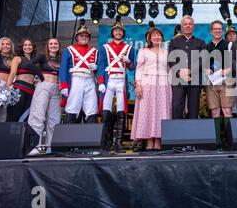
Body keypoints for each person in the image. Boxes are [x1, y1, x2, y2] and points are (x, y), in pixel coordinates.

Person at [97, 18, 135, 151]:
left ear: (123, 33)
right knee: (106, 111)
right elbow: (101, 66)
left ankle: (118, 143)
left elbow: (131, 67)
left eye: (120, 30)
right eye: (116, 30)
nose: (118, 32)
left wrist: (129, 61)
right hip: (109, 80)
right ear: (112, 33)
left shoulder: (129, 48)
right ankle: (106, 143)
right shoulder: (104, 48)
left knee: (121, 111)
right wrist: (101, 82)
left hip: (121, 80)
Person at [131, 27, 171, 150]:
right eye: (154, 35)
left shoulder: (167, 52)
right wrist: (138, 84)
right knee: (147, 111)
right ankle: (149, 140)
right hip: (147, 83)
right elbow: (139, 69)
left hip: (164, 84)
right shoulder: (143, 51)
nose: (156, 37)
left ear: (162, 37)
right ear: (149, 38)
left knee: (162, 112)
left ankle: (158, 140)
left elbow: (170, 70)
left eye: (159, 35)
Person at [27, 38, 62, 155]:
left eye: (56, 43)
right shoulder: (42, 56)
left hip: (56, 88)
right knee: (38, 115)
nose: (53, 45)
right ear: (47, 46)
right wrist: (40, 76)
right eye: (51, 44)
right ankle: (34, 146)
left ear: (59, 45)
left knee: (54, 119)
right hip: (44, 86)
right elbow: (30, 64)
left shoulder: (61, 58)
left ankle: (51, 146)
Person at [59, 22, 98, 123]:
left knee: (92, 106)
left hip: (90, 79)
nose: (84, 37)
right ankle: (70, 135)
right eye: (81, 35)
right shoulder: (69, 50)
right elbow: (63, 68)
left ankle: (91, 136)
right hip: (76, 79)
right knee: (73, 106)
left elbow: (100, 70)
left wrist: (96, 68)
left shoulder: (94, 51)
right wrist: (63, 85)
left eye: (86, 36)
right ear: (77, 37)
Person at [168, 15, 206, 119]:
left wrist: (189, 70)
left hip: (195, 79)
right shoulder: (174, 41)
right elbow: (171, 60)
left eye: (190, 24)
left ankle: (192, 133)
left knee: (193, 108)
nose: (188, 26)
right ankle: (177, 132)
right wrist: (180, 72)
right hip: (178, 79)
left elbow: (203, 59)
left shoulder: (200, 42)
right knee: (176, 106)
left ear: (194, 26)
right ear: (182, 26)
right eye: (185, 24)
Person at [5, 38, 39, 122]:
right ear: (22, 47)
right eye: (25, 45)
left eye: (30, 45)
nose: (28, 47)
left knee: (26, 116)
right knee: (14, 114)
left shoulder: (36, 62)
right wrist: (7, 89)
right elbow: (12, 73)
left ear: (33, 47)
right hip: (19, 89)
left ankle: (22, 134)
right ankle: (8, 134)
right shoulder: (17, 58)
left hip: (31, 91)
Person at [225, 23, 237, 117]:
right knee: (230, 99)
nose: (231, 35)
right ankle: (233, 116)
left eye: (234, 34)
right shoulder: (224, 46)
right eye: (229, 34)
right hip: (227, 77)